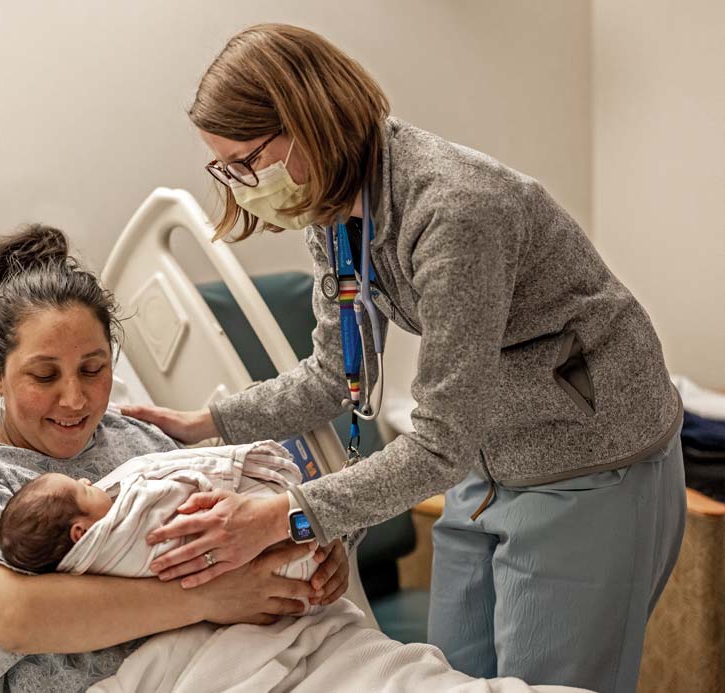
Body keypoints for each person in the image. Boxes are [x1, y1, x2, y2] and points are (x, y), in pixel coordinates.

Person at [122, 23, 686, 693]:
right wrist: (206, 422)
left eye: (247, 162)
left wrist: (285, 515)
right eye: (228, 169)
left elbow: (439, 442)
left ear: (309, 123)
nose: (244, 185)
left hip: (588, 459)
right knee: (443, 678)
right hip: (485, 458)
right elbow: (332, 372)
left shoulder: (455, 212)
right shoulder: (334, 208)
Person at [0, 225, 349, 692]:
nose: (74, 400)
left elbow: (234, 517)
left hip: (264, 653)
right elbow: (15, 616)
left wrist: (312, 548)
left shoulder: (139, 439)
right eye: (44, 376)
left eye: (93, 369)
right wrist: (209, 598)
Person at [0, 441, 317, 590]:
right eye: (82, 490)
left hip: (288, 539)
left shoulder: (92, 572)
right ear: (80, 533)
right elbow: (188, 489)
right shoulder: (131, 522)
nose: (86, 480)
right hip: (270, 554)